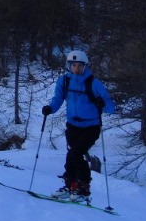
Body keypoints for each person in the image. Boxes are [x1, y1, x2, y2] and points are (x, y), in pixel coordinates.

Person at [42, 49, 115, 201]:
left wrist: (102, 103)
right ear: (68, 65)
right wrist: (50, 109)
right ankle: (70, 186)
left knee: (76, 154)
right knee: (71, 155)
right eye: (73, 65)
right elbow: (58, 98)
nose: (76, 68)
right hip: (73, 126)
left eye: (79, 65)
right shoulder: (64, 81)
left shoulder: (93, 83)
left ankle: (83, 189)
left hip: (90, 127)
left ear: (85, 66)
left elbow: (110, 107)